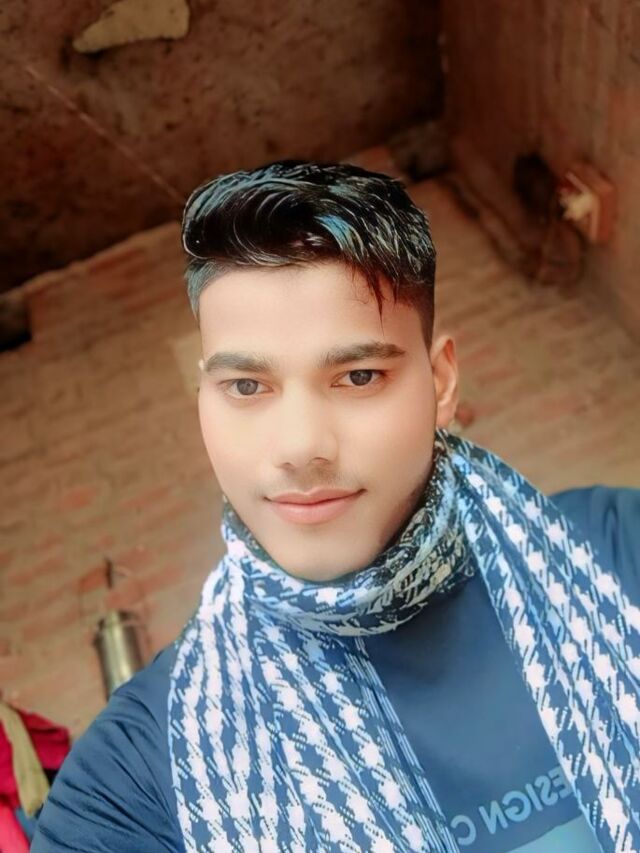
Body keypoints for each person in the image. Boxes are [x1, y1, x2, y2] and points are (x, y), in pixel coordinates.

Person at [32, 161, 639, 853]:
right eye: (246, 387)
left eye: (358, 376)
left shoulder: (617, 550)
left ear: (441, 382)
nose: (300, 447)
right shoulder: (137, 775)